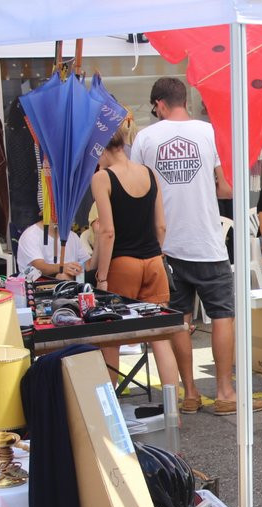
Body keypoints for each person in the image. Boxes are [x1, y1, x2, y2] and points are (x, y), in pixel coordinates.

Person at [131, 77, 262, 416]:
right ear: (184, 101)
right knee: (222, 315)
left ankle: (189, 392)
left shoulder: (145, 138)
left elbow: (138, 188)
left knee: (179, 318)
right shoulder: (209, 133)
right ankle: (224, 392)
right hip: (207, 240)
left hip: (165, 244)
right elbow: (226, 188)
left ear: (159, 104)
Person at [90, 123, 179, 392]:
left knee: (110, 339)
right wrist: (153, 249)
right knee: (160, 337)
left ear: (100, 149)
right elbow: (161, 226)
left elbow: (107, 232)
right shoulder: (149, 174)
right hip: (153, 262)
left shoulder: (103, 178)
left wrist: (101, 277)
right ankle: (172, 410)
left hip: (122, 264)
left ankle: (110, 413)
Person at [15, 220, 91, 280]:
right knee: (62, 276)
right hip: (36, 287)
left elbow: (88, 266)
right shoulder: (30, 235)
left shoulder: (73, 236)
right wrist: (63, 267)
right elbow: (40, 267)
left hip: (69, 287)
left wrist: (99, 235)